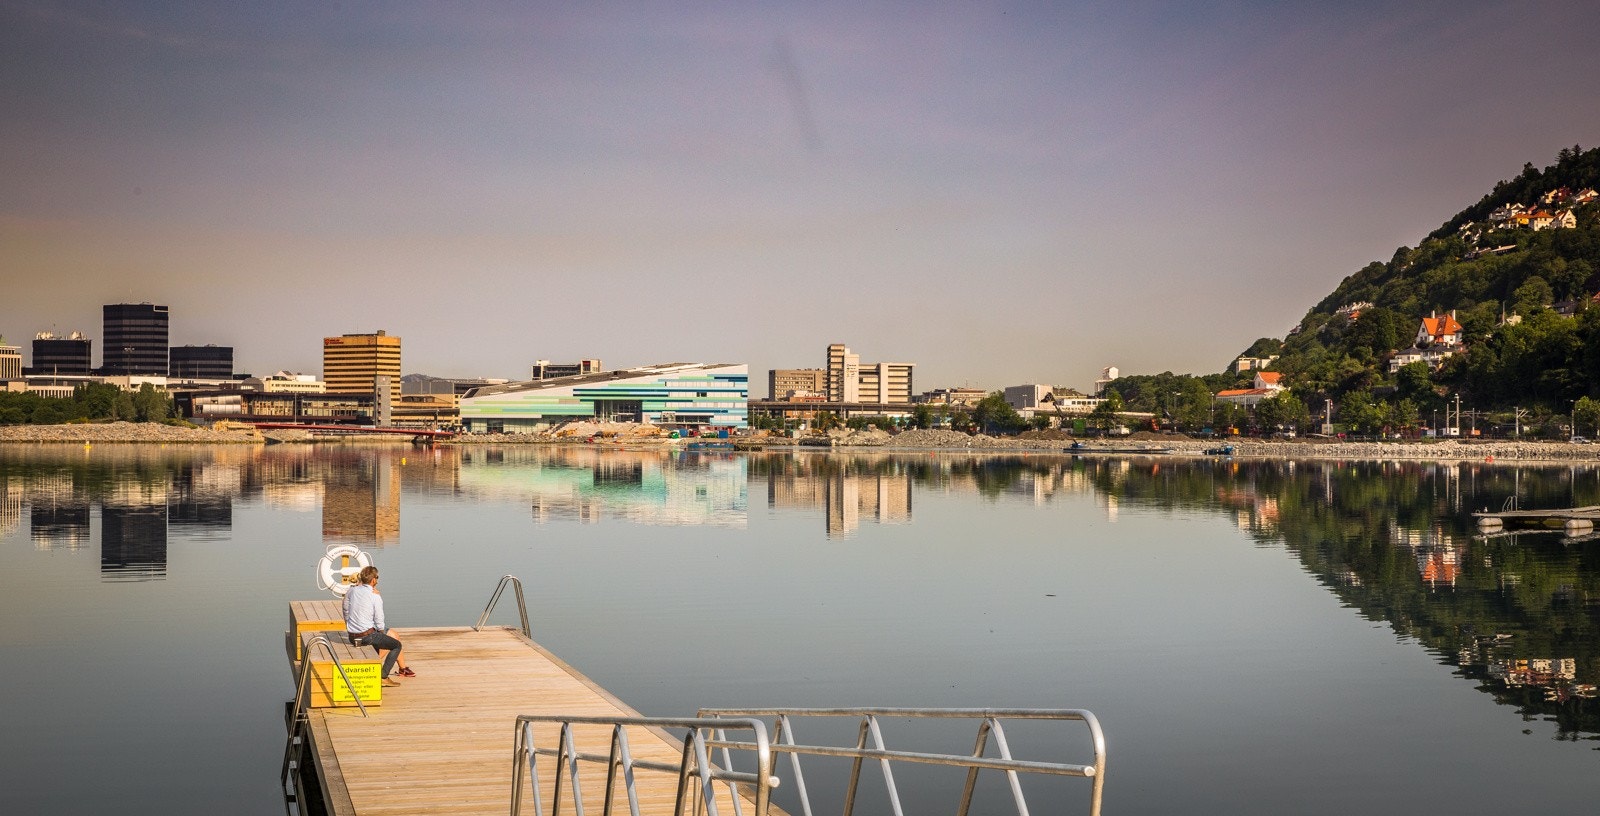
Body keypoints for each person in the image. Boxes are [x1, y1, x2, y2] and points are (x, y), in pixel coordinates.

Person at [343, 565, 414, 685]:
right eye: (377, 578)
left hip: (352, 636)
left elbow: (345, 608)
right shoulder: (375, 596)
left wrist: (348, 624)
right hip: (367, 636)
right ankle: (383, 676)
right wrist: (381, 632)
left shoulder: (352, 590)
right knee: (396, 645)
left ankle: (378, 668)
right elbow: (379, 620)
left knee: (384, 640)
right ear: (373, 580)